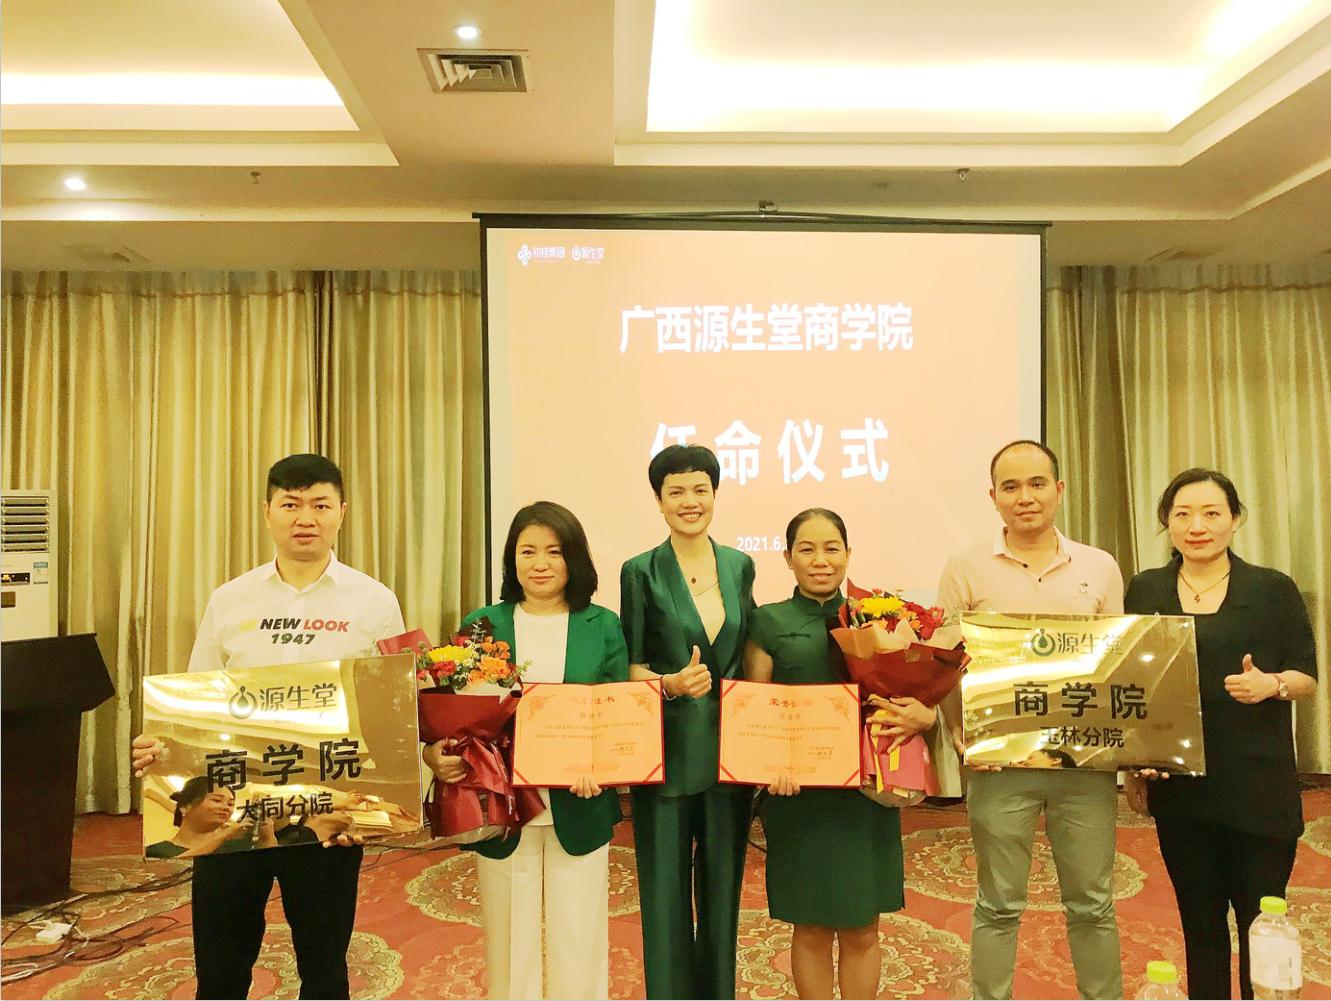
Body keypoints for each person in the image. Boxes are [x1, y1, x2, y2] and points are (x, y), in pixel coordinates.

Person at [131, 453, 405, 1000]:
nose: (306, 518)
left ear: (342, 512)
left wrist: (379, 806)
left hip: (327, 810)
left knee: (324, 965)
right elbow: (197, 698)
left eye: (320, 505)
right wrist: (161, 745)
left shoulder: (375, 601)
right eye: (291, 504)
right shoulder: (231, 599)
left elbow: (393, 709)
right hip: (234, 806)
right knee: (221, 963)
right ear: (267, 512)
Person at [937, 440, 1125, 1001]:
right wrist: (960, 736)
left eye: (1037, 484)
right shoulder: (965, 566)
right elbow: (943, 662)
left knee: (1092, 903)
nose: (1025, 497)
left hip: (1084, 767)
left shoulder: (1099, 566)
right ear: (993, 497)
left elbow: (1117, 664)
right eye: (1011, 487)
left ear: (1059, 490)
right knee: (998, 903)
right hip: (1000, 768)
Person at [1123, 468, 1318, 1000]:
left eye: (1211, 513)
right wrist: (1132, 765)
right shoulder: (1147, 588)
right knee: (1199, 921)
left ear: (1234, 519)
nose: (1197, 527)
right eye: (1183, 514)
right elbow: (1132, 685)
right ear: (1167, 522)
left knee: (1261, 924)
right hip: (1181, 787)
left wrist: (1271, 684)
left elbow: (1306, 677)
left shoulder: (1272, 589)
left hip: (1257, 787)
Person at [423, 501, 628, 1000]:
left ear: (574, 558)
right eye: (527, 551)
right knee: (509, 937)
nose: (540, 564)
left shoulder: (601, 624)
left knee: (578, 934)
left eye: (554, 552)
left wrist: (602, 766)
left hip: (580, 798)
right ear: (511, 559)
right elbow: (455, 714)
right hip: (502, 803)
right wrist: (434, 752)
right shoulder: (483, 624)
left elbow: (617, 709)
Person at [745, 508, 935, 1000]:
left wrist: (920, 715)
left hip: (864, 795)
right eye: (806, 549)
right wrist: (768, 767)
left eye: (832, 548)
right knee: (809, 926)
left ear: (849, 553)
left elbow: (909, 694)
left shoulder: (880, 620)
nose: (820, 560)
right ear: (787, 557)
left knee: (862, 926)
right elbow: (754, 708)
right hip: (799, 796)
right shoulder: (768, 621)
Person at [619, 444, 756, 999]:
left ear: (715, 494)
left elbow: (746, 654)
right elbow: (630, 665)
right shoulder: (640, 571)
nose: (689, 501)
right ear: (659, 501)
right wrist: (669, 684)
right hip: (667, 751)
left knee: (723, 890)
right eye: (675, 491)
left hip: (730, 753)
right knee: (665, 893)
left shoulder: (739, 565)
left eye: (700, 489)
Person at [145, 779, 275, 859]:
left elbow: (269, 867)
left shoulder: (236, 846)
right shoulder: (156, 851)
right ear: (185, 806)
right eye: (216, 800)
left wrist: (267, 836)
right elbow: (176, 868)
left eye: (230, 804)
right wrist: (223, 836)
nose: (226, 808)